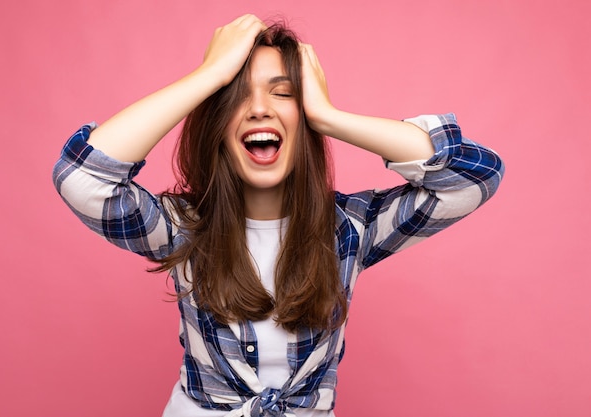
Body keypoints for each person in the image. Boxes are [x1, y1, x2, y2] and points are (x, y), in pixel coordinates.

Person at [52, 14, 504, 417]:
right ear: (217, 126)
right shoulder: (182, 227)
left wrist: (329, 116)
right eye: (235, 96)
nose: (260, 108)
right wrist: (208, 75)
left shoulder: (350, 228)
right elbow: (83, 178)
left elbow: (472, 177)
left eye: (282, 93)